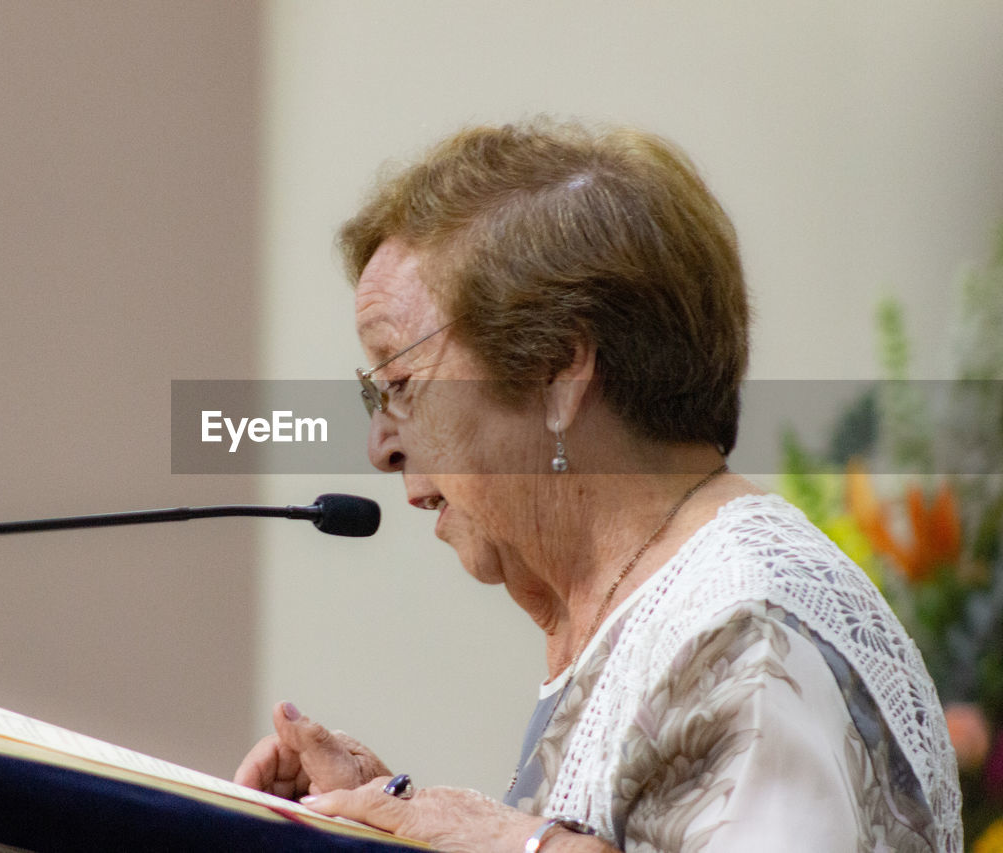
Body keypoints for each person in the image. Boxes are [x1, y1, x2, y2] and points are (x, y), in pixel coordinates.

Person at [234, 119, 963, 852]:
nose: (381, 446)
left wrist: (526, 848)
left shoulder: (745, 626)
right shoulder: (654, 610)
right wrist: (390, 824)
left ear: (558, 369)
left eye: (399, 381)